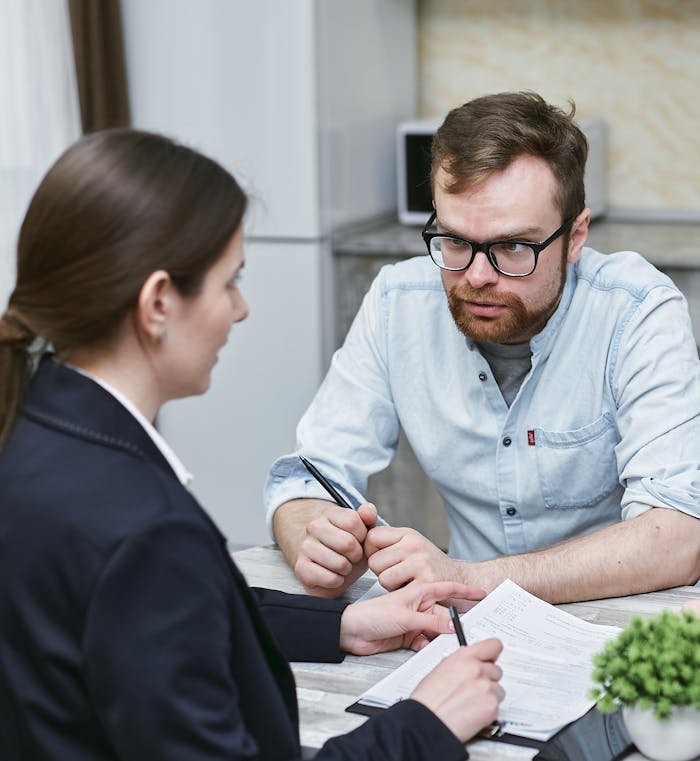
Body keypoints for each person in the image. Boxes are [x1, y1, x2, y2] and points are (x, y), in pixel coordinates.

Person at [0, 130, 505, 761]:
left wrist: (340, 624)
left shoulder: (29, 432)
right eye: (228, 281)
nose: (240, 310)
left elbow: (152, 620)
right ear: (159, 302)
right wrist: (423, 723)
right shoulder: (147, 533)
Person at [265, 91, 700, 604]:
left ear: (576, 235)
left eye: (512, 247)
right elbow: (307, 476)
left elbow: (678, 535)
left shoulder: (635, 310)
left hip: (619, 614)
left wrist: (470, 579)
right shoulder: (397, 302)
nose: (475, 276)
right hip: (471, 622)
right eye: (454, 240)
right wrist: (312, 536)